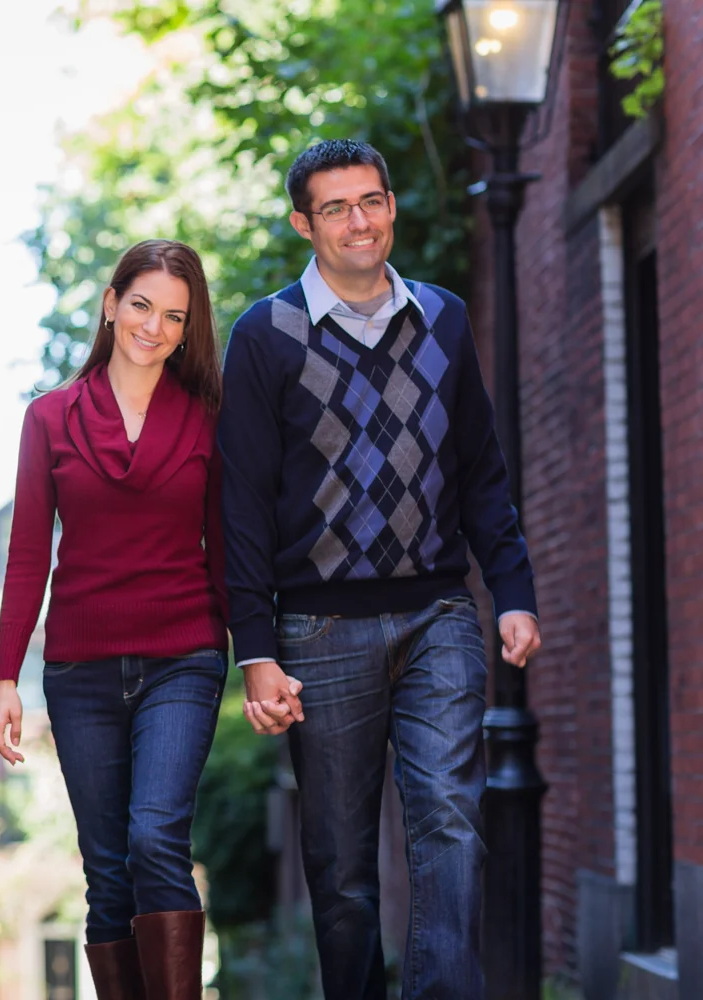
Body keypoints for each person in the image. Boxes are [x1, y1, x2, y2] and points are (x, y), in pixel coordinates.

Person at [218, 138, 542, 999]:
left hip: (439, 613)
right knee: (341, 869)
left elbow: (481, 470)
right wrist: (256, 650)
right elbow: (241, 506)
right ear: (304, 224)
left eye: (371, 201)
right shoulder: (265, 336)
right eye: (336, 207)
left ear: (391, 207)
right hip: (318, 629)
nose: (358, 221)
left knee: (452, 823)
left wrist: (512, 592)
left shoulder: (443, 318)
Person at [0, 239, 230, 1000]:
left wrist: (257, 654)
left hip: (183, 657)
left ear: (187, 331)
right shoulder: (49, 418)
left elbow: (228, 549)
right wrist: (5, 678)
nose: (153, 327)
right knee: (107, 874)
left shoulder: (208, 419)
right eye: (141, 306)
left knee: (155, 836)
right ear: (110, 304)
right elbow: (29, 553)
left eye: (173, 317)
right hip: (80, 673)